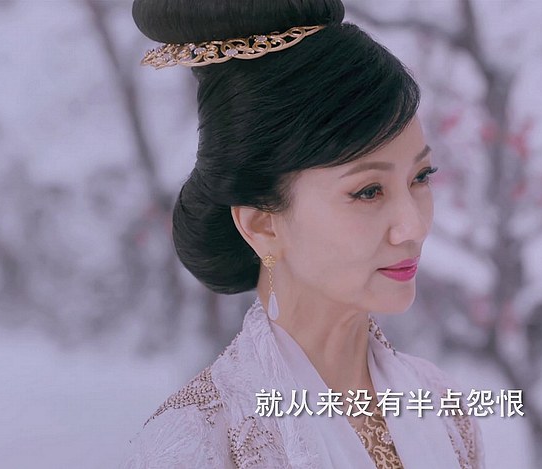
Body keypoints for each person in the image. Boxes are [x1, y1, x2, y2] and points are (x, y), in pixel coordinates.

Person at [123, 0, 485, 467]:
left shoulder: (444, 407)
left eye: (421, 177)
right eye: (369, 191)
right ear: (261, 224)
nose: (413, 226)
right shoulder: (199, 441)